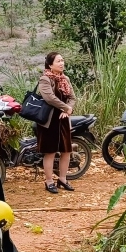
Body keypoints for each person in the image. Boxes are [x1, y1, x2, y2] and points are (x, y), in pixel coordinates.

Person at [36, 52, 77, 194]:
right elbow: (50, 98)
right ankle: (49, 181)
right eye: (58, 61)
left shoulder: (65, 78)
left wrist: (68, 110)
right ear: (50, 64)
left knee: (66, 150)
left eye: (62, 60)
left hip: (63, 119)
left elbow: (72, 98)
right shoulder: (45, 79)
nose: (62, 63)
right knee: (50, 151)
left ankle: (63, 179)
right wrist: (65, 107)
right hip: (49, 120)